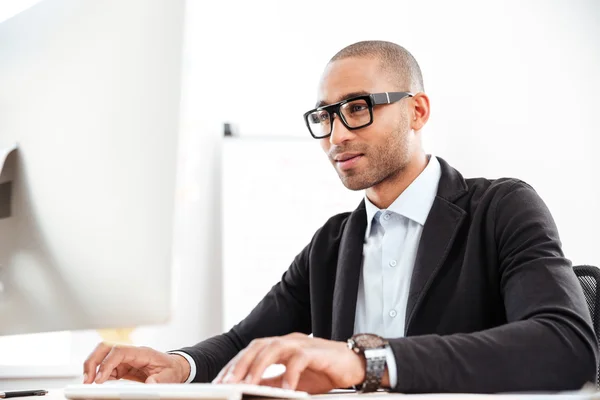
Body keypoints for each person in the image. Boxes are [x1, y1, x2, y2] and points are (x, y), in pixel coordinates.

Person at [82, 41, 597, 394]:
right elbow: (243, 342)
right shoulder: (332, 242)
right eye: (325, 116)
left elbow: (565, 342)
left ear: (417, 111)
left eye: (356, 108)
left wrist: (365, 363)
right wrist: (179, 365)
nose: (336, 135)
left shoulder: (501, 208)